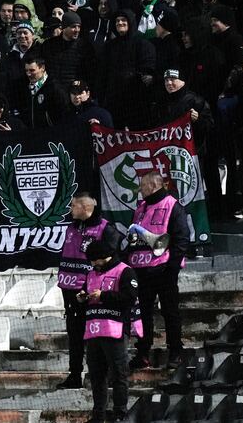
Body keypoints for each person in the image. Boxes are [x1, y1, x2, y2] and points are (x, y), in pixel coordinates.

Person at [56, 193, 122, 390]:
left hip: (93, 292)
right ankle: (75, 375)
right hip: (70, 291)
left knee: (99, 336)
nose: (70, 209)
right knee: (74, 335)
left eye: (74, 205)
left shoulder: (105, 229)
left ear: (85, 207)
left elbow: (112, 260)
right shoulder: (71, 227)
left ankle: (107, 376)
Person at [125, 172, 189, 370]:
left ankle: (175, 352)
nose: (140, 190)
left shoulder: (172, 205)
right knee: (142, 313)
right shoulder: (141, 208)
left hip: (164, 269)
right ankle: (143, 353)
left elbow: (182, 238)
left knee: (170, 311)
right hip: (140, 270)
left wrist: (173, 267)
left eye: (142, 186)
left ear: (153, 186)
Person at [79, 240, 138, 423]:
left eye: (94, 260)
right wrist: (82, 297)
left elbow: (130, 298)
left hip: (115, 332)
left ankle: (120, 414)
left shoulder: (125, 271)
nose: (92, 264)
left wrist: (103, 296)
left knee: (118, 374)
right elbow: (86, 294)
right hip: (93, 332)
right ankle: (98, 415)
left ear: (103, 257)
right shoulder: (90, 274)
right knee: (97, 377)